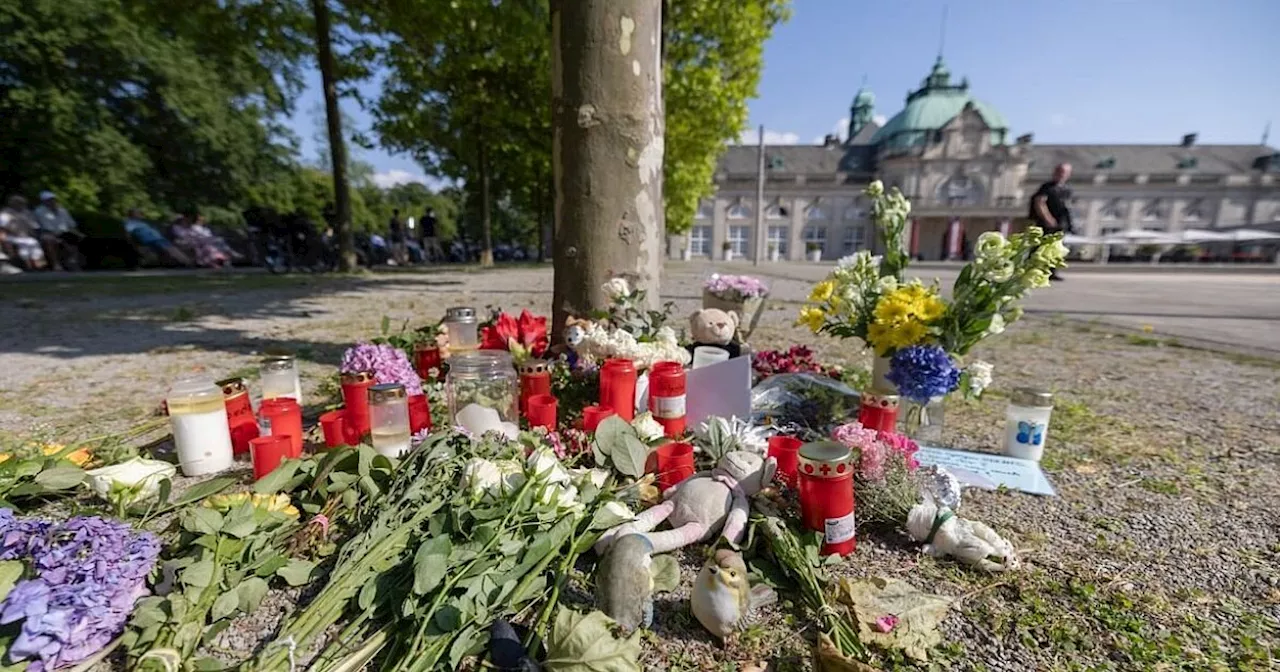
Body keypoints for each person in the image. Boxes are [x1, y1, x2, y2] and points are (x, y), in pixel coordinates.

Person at [1029, 162, 1074, 280]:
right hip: (1046, 223)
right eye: (1059, 171)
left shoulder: (1066, 189)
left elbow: (1067, 206)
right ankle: (1032, 270)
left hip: (1061, 223)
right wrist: (1048, 218)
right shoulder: (1047, 187)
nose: (1061, 175)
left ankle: (1051, 272)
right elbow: (1040, 202)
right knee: (1040, 246)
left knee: (1056, 248)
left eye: (1064, 172)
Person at [124, 208, 193, 267]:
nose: (140, 215)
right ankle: (188, 262)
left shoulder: (142, 223)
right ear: (132, 215)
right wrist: (131, 244)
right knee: (171, 249)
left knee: (166, 252)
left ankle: (185, 262)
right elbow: (128, 233)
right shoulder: (130, 223)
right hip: (152, 240)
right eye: (138, 213)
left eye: (139, 213)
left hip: (156, 239)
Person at [32, 191, 80, 271]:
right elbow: (45, 227)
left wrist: (78, 234)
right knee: (49, 240)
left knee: (76, 237)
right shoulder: (39, 211)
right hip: (48, 233)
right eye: (49, 200)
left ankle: (72, 261)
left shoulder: (63, 210)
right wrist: (57, 237)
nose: (52, 201)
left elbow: (71, 225)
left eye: (53, 199)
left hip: (64, 233)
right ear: (44, 202)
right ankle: (56, 264)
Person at [0, 196, 46, 270]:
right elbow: (2, 229)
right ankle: (28, 267)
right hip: (11, 236)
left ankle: (40, 266)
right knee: (25, 246)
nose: (21, 205)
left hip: (25, 236)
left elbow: (35, 227)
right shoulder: (6, 213)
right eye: (19, 203)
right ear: (13, 204)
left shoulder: (27, 213)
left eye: (22, 203)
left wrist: (35, 235)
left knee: (34, 243)